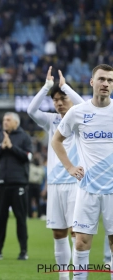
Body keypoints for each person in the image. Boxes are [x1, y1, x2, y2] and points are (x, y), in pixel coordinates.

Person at [51, 64, 113, 280]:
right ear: (92, 82)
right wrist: (69, 166)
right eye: (102, 79)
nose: (106, 84)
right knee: (80, 241)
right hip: (87, 189)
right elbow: (56, 140)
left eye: (110, 80)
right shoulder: (78, 112)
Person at [27, 66, 84, 280]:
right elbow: (31, 111)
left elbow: (84, 104)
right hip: (54, 185)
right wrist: (46, 88)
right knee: (58, 233)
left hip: (75, 183)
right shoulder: (51, 120)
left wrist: (65, 86)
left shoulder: (80, 118)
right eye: (56, 99)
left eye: (63, 98)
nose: (59, 102)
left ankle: (79, 275)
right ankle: (63, 277)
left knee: (76, 233)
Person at [0, 112, 32, 261]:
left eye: (8, 120)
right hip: (1, 183)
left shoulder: (24, 137)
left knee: (21, 218)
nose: (5, 122)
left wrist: (11, 147)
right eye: (4, 120)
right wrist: (2, 147)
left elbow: (28, 157)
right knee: (1, 218)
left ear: (16, 123)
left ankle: (23, 251)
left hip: (18, 183)